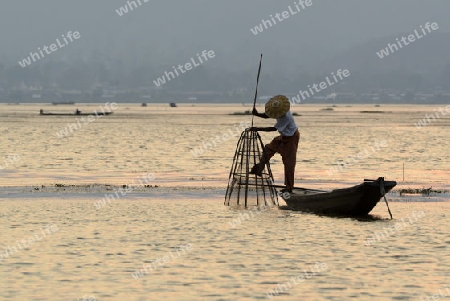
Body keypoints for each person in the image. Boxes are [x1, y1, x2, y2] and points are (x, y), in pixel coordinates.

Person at [249, 95, 299, 192]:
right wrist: (257, 114)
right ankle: (260, 167)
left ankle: (289, 188)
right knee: (268, 149)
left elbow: (273, 129)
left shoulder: (286, 117)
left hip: (291, 138)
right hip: (283, 136)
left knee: (289, 163)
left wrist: (257, 129)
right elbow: (268, 115)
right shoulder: (279, 110)